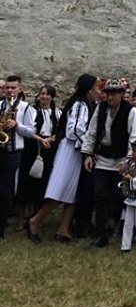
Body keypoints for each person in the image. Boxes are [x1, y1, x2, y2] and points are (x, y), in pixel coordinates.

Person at [29, 74, 100, 242]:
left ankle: (63, 229)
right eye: (97, 88)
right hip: (70, 151)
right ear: (89, 89)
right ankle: (34, 221)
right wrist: (88, 147)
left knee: (73, 192)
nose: (99, 91)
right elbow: (74, 130)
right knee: (59, 189)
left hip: (78, 152)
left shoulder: (87, 104)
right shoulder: (79, 104)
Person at [82, 77, 136, 247]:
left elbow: (135, 137)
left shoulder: (130, 111)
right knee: (99, 196)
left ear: (122, 95)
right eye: (107, 94)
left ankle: (113, 224)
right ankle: (101, 233)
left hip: (121, 160)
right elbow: (92, 132)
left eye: (114, 94)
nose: (110, 98)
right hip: (102, 159)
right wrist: (88, 154)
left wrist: (130, 161)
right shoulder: (100, 109)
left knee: (118, 196)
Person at [15, 84, 61, 225]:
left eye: (47, 94)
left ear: (52, 97)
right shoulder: (32, 111)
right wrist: (40, 139)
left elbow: (60, 131)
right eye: (42, 94)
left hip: (48, 151)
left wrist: (50, 138)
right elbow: (28, 130)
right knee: (26, 182)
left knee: (41, 184)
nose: (44, 97)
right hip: (32, 149)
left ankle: (34, 215)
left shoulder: (57, 113)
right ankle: (21, 219)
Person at [0, 75, 27, 239]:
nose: (9, 90)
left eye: (13, 88)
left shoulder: (25, 107)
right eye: (7, 88)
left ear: (19, 89)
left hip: (13, 153)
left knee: (5, 192)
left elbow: (31, 131)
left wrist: (17, 125)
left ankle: (1, 228)